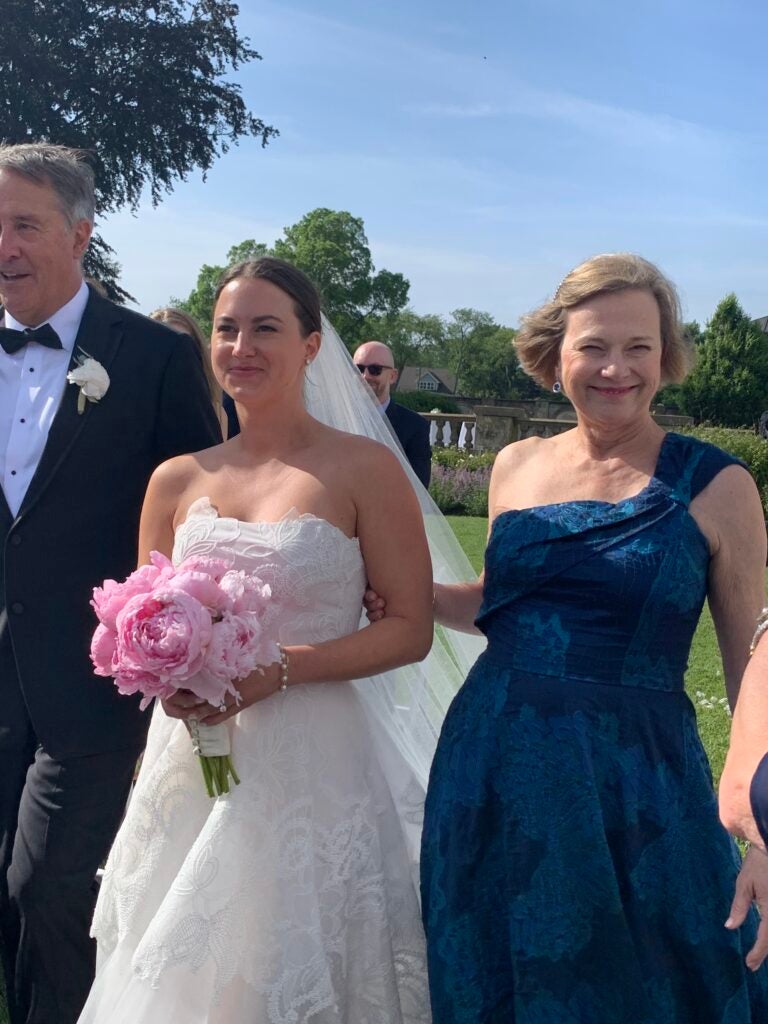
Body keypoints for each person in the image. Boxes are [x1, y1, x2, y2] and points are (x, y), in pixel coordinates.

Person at [77, 257, 439, 1023]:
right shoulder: (176, 479)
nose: (242, 346)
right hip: (194, 755)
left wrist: (282, 669)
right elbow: (138, 612)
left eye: (266, 328)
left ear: (312, 346)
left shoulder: (365, 468)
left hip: (314, 755)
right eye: (226, 329)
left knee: (286, 951)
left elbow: (409, 629)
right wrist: (161, 674)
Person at [416, 254, 768, 1022]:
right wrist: (380, 583)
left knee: (666, 976)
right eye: (593, 347)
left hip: (634, 781)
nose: (616, 367)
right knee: (494, 965)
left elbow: (754, 663)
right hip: (491, 763)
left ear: (666, 357)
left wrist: (761, 821)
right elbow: (501, 605)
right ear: (555, 356)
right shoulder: (514, 465)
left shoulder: (718, 484)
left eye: (639, 347)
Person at [0, 143, 221, 1024]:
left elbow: (200, 516)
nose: (4, 246)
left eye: (24, 225)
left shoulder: (154, 356)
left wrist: (178, 636)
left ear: (81, 232)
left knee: (50, 895)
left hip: (89, 686)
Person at [353, 340, 432, 487]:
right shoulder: (331, 419)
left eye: (375, 369)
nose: (365, 376)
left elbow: (419, 488)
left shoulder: (415, 426)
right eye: (359, 369)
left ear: (393, 376)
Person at [149, 306, 230, 437]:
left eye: (184, 347)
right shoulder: (130, 410)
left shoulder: (217, 413)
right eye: (163, 347)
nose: (175, 356)